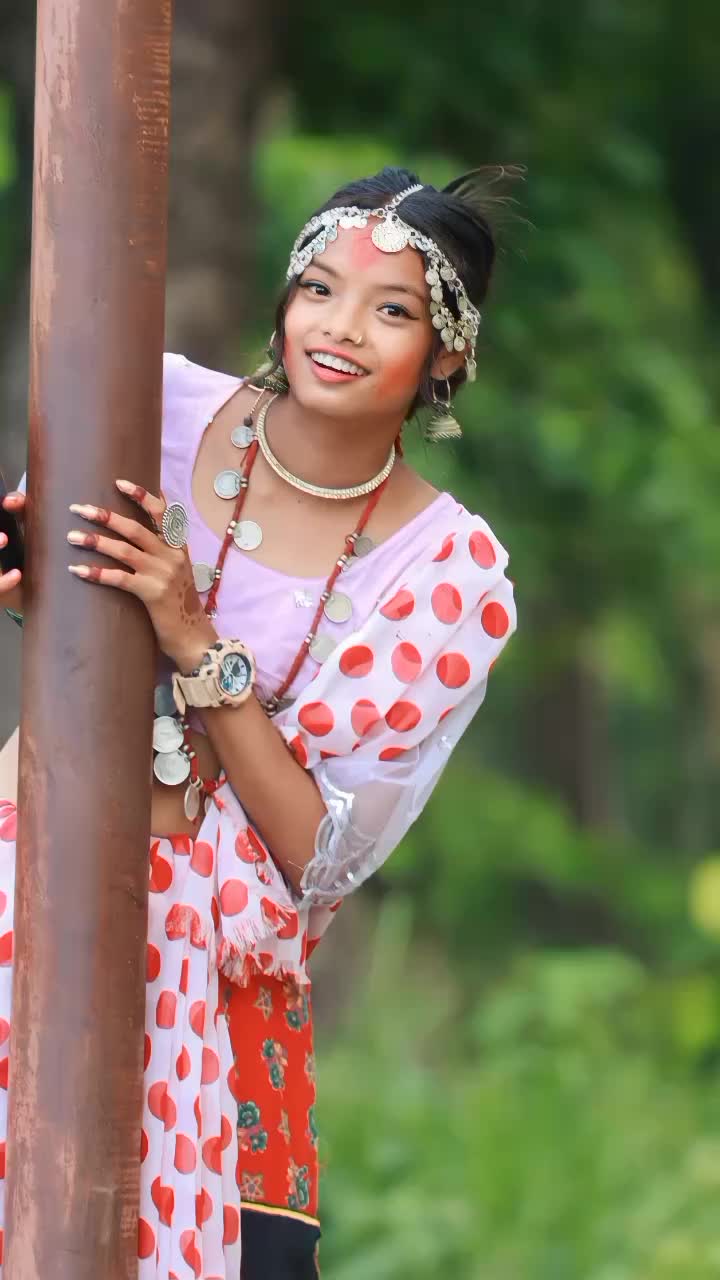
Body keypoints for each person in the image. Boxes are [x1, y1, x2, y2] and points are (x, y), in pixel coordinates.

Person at [0, 167, 517, 1279]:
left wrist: (194, 637)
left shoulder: (447, 571)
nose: (341, 327)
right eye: (319, 289)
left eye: (390, 309)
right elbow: (61, 603)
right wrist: (32, 576)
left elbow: (317, 853)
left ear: (448, 355)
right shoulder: (152, 402)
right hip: (29, 871)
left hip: (216, 981)